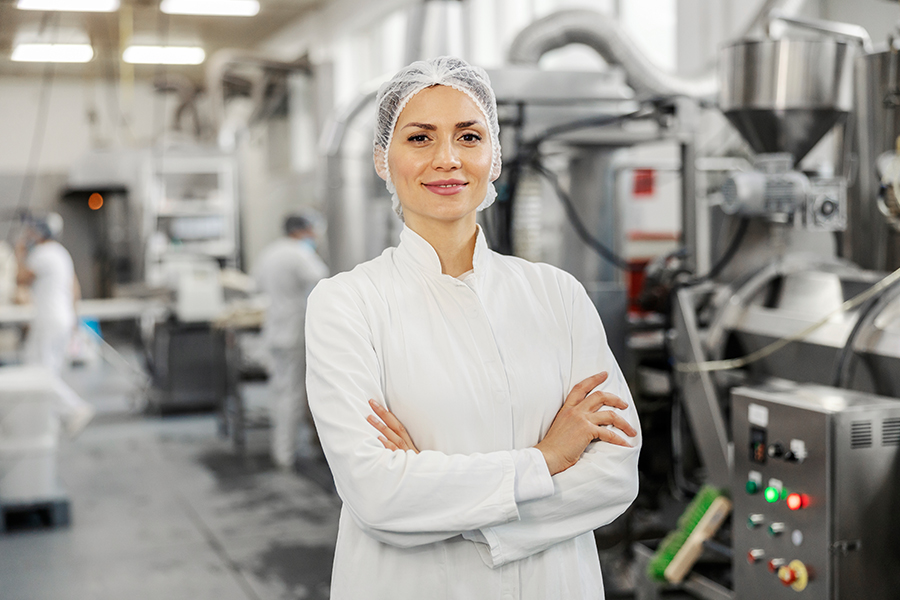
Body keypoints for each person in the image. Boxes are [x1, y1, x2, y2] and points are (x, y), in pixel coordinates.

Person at [305, 57, 642, 599]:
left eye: (468, 135)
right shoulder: (347, 304)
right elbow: (377, 494)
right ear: (381, 160)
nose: (447, 159)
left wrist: (438, 498)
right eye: (419, 138)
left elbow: (614, 473)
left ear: (495, 156)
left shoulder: (556, 294)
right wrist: (547, 459)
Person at [254, 213, 329, 469]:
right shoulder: (299, 253)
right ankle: (286, 455)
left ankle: (282, 450)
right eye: (312, 229)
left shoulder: (270, 253)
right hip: (294, 331)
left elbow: (257, 285)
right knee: (292, 393)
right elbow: (324, 281)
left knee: (280, 390)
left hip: (274, 329)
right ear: (301, 230)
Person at [15, 213, 94, 435]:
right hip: (64, 318)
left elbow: (21, 278)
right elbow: (74, 288)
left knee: (37, 371)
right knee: (48, 369)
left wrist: (19, 251)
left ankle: (75, 407)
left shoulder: (42, 254)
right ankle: (48, 421)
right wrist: (75, 319)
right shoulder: (62, 254)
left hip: (48, 319)